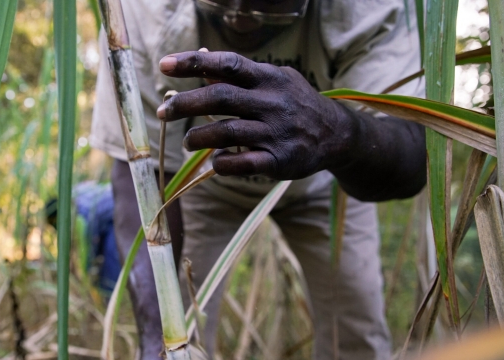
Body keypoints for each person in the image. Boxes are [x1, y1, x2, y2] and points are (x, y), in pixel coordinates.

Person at [90, 0, 426, 358]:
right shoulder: (139, 11)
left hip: (325, 179)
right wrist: (159, 337)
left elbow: (412, 159)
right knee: (181, 330)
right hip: (203, 184)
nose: (240, 21)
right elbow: (139, 176)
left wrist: (337, 132)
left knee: (357, 333)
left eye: (271, 8)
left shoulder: (370, 8)